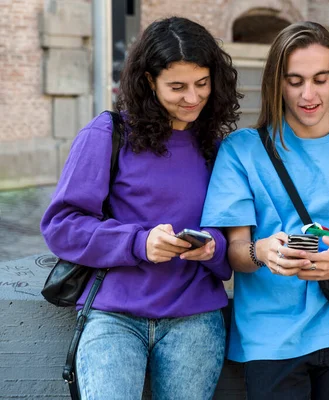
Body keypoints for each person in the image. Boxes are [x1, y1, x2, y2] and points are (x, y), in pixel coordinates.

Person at [40, 16, 240, 399]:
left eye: (202, 84)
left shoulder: (216, 149)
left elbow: (232, 247)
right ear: (149, 81)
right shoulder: (108, 134)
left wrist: (211, 247)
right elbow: (61, 226)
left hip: (195, 321)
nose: (193, 98)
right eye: (177, 87)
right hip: (114, 316)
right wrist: (139, 242)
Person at [200, 21, 329, 400]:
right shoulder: (241, 150)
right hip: (270, 334)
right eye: (295, 80)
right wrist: (263, 251)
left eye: (320, 79)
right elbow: (235, 250)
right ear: (277, 83)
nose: (309, 94)